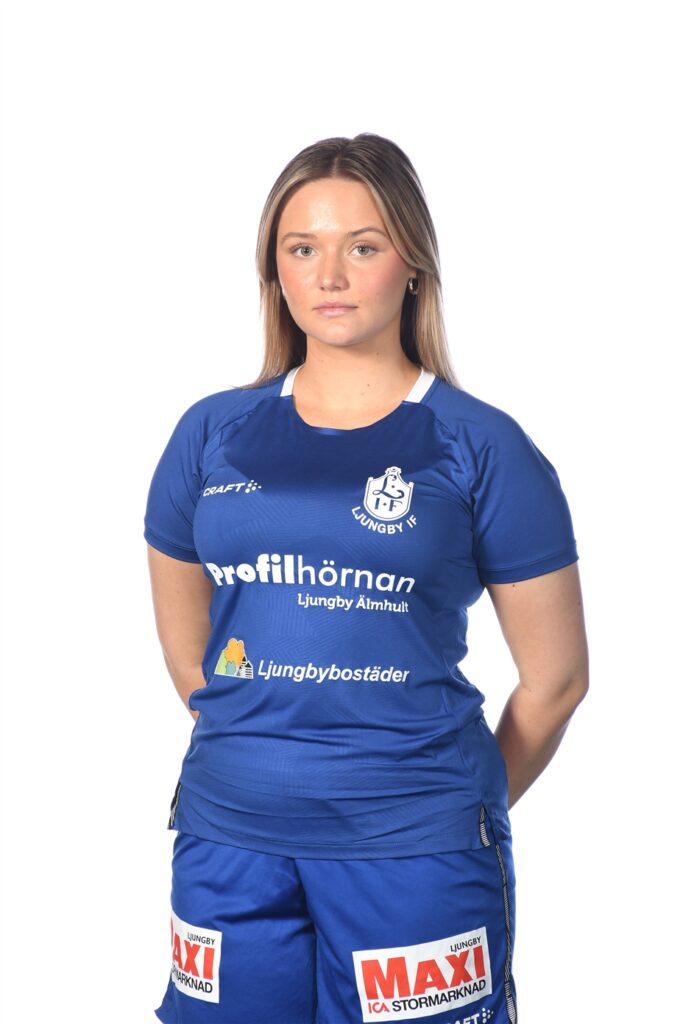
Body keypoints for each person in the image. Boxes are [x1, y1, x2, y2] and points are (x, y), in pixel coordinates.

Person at [144, 133, 589, 1024]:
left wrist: (442, 805)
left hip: (414, 855)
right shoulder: (209, 434)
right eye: (301, 248)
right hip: (229, 840)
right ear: (274, 270)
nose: (330, 275)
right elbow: (191, 656)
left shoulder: (481, 445)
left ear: (412, 262)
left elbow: (556, 681)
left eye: (363, 246)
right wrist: (272, 761)